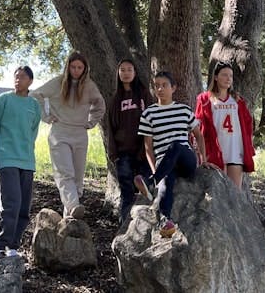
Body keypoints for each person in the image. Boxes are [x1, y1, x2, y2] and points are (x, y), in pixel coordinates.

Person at [134, 70, 215, 237]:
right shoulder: (148, 114)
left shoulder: (184, 110)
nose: (160, 89)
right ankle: (166, 221)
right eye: (157, 86)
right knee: (165, 183)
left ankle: (151, 182)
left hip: (186, 160)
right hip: (165, 163)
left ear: (173, 88)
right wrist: (155, 168)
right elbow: (148, 147)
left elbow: (199, 136)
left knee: (176, 145)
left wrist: (203, 159)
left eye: (164, 85)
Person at [31, 50, 106, 219]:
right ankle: (73, 206)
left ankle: (70, 217)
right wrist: (46, 116)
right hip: (60, 132)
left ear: (85, 69)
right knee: (65, 173)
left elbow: (100, 105)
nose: (76, 70)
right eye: (73, 67)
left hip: (80, 133)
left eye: (80, 67)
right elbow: (35, 95)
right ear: (68, 67)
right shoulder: (57, 82)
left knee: (78, 177)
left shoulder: (89, 85)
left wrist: (91, 122)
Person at [0, 65, 42, 258]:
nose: (18, 79)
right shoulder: (2, 100)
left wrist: (26, 150)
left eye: (23, 77)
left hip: (26, 161)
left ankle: (13, 246)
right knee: (11, 203)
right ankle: (0, 245)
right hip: (6, 158)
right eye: (16, 76)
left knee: (24, 206)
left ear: (30, 81)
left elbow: (33, 132)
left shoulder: (34, 106)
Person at [195, 62, 255, 189]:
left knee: (235, 195)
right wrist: (202, 156)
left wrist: (248, 147)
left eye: (231, 76)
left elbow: (248, 126)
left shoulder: (238, 101)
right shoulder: (205, 99)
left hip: (235, 150)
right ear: (216, 77)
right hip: (214, 152)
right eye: (224, 75)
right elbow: (199, 129)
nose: (228, 78)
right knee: (217, 194)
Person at [106, 59, 152, 224]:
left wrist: (148, 148)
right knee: (126, 191)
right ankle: (124, 226)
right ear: (118, 74)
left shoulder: (144, 95)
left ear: (135, 72)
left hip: (143, 151)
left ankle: (146, 224)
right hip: (123, 153)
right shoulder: (115, 100)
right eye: (122, 70)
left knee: (145, 188)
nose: (126, 73)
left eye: (129, 70)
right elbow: (110, 128)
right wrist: (114, 154)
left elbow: (152, 121)